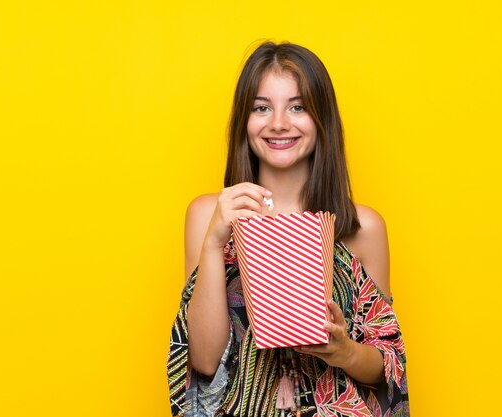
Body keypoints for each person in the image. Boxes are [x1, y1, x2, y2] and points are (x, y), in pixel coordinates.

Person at [167, 41, 409, 417]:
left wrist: (344, 350)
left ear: (320, 119)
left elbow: (385, 365)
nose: (278, 123)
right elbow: (203, 361)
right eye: (261, 108)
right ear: (244, 123)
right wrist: (216, 242)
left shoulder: (363, 227)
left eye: (297, 107)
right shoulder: (207, 215)